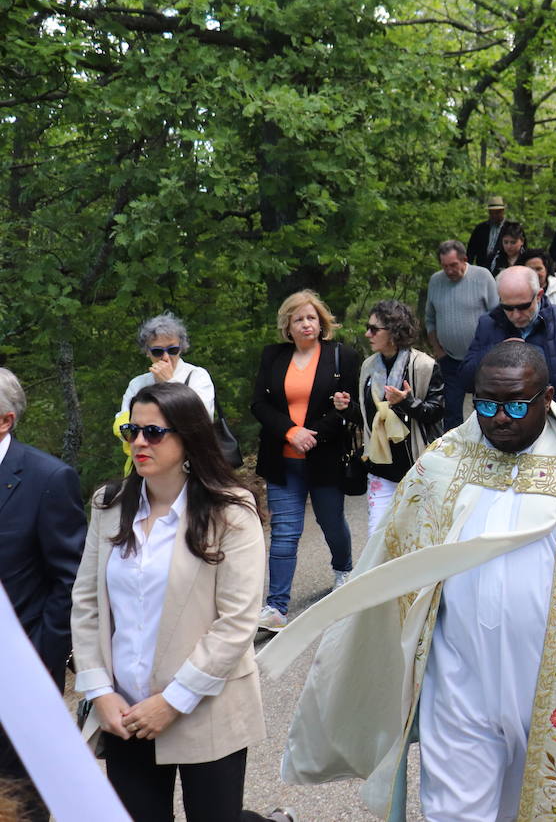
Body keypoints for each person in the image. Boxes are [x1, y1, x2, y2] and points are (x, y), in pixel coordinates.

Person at [266, 343, 556, 821]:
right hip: (459, 682)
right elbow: (392, 560)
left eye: (517, 404)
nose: (500, 418)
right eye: (486, 404)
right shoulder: (443, 466)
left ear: (548, 398)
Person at [71, 382, 280, 822]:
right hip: (124, 712)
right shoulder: (109, 505)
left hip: (206, 704)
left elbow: (237, 621)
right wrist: (99, 690)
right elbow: (87, 602)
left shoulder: (231, 510)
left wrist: (174, 700)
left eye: (154, 432)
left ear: (188, 438)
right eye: (132, 430)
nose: (139, 442)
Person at [0, 368, 85, 822]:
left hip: (20, 672)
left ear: (5, 420)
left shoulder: (48, 478)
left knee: (22, 797)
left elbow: (69, 580)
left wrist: (42, 658)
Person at [249, 290, 359, 632]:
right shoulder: (273, 357)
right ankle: (276, 607)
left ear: (322, 322)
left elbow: (353, 410)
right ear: (288, 325)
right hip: (282, 459)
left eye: (311, 317)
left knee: (331, 522)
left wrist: (313, 434)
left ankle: (344, 571)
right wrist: (291, 432)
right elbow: (259, 405)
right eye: (299, 319)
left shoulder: (343, 356)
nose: (306, 323)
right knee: (284, 532)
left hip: (325, 457)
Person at [461, 265, 556, 428]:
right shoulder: (488, 325)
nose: (515, 315)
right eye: (508, 308)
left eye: (523, 307)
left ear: (539, 295)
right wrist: (493, 353)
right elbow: (467, 381)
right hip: (506, 432)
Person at [349, 301, 445, 537]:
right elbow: (367, 420)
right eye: (367, 327)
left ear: (393, 331)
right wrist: (344, 409)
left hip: (418, 468)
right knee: (377, 538)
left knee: (419, 538)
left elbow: (436, 412)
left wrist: (406, 402)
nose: (367, 334)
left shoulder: (424, 366)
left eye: (374, 329)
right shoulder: (368, 367)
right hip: (381, 469)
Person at [424, 239, 500, 430]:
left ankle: (487, 443)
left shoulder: (483, 277)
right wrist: (437, 349)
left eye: (453, 265)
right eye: (444, 266)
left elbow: (497, 317)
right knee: (451, 408)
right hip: (448, 358)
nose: (449, 270)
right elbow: (430, 319)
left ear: (464, 259)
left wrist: (491, 351)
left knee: (485, 405)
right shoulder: (436, 280)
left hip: (481, 357)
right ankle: (454, 452)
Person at [119, 313, 215, 419]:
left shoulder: (197, 376)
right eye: (157, 351)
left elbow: (202, 420)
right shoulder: (137, 384)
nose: (165, 357)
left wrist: (170, 383)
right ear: (147, 352)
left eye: (172, 350)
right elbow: (124, 425)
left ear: (181, 348)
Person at [466, 195, 507, 270]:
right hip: (482, 267)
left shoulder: (511, 228)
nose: (494, 215)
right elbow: (471, 251)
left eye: (497, 213)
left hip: (503, 269)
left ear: (502, 211)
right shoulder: (480, 229)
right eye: (492, 213)